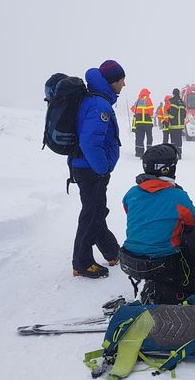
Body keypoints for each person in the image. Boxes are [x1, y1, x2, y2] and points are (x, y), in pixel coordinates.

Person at [119, 144, 195, 309]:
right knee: (191, 249)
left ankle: (157, 286)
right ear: (169, 169)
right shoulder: (178, 197)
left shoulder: (131, 193)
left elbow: (131, 212)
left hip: (128, 259)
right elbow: (193, 224)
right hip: (160, 264)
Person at [70, 60, 125, 279]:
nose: (123, 84)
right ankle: (81, 263)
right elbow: (90, 143)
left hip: (87, 167)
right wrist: (102, 168)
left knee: (96, 211)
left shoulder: (95, 100)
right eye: (121, 80)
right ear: (112, 81)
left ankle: (111, 251)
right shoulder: (99, 106)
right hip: (91, 169)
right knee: (91, 215)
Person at [130, 88, 155, 157]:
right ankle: (149, 152)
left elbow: (133, 109)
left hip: (139, 123)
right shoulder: (147, 99)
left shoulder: (138, 100)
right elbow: (151, 110)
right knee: (149, 137)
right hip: (147, 123)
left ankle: (139, 153)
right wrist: (150, 115)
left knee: (140, 138)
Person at [167, 88, 186, 159]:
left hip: (174, 125)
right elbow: (184, 114)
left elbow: (172, 115)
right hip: (180, 125)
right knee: (179, 140)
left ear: (173, 93)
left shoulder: (173, 101)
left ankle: (174, 154)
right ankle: (179, 154)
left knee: (173, 141)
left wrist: (168, 113)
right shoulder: (181, 102)